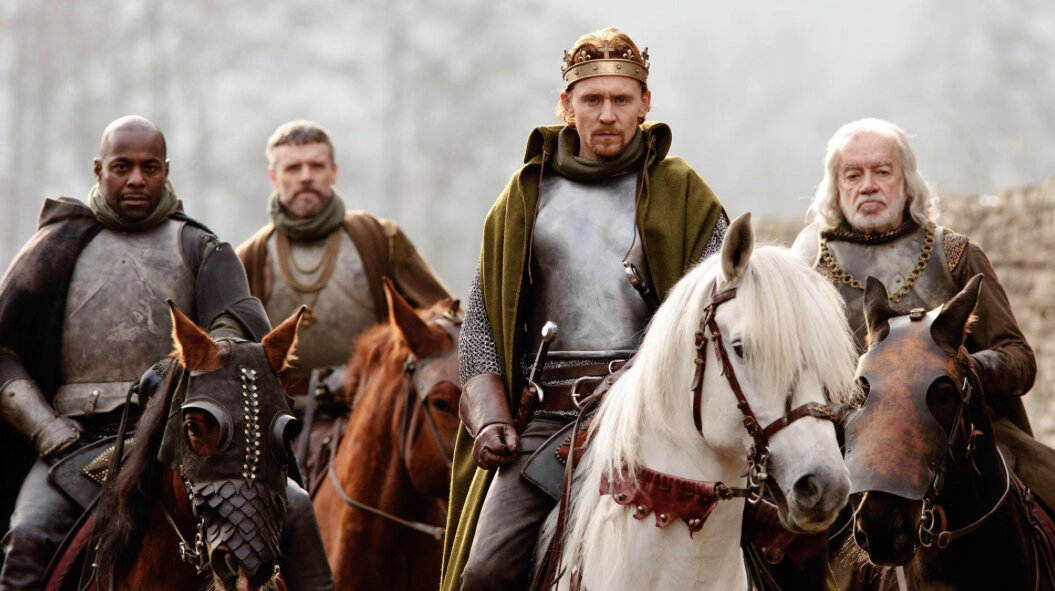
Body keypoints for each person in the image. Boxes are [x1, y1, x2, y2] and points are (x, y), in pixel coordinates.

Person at [441, 28, 728, 591]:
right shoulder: (526, 195)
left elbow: (725, 311)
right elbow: (481, 325)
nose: (607, 115)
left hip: (657, 419)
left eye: (622, 99)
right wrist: (493, 419)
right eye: (592, 99)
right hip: (548, 426)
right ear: (567, 104)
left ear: (645, 103)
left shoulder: (683, 192)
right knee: (485, 572)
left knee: (757, 542)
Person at [0, 116, 333, 591]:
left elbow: (234, 329)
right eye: (123, 167)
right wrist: (46, 429)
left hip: (183, 445)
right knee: (29, 537)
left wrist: (190, 361)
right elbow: (4, 351)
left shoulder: (201, 248)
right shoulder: (54, 249)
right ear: (99, 169)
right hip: (73, 444)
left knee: (295, 506)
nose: (137, 179)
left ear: (166, 170)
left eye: (150, 167)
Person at [792, 117, 1051, 509]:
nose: (868, 185)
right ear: (836, 186)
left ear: (907, 180)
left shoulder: (955, 255)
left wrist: (960, 370)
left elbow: (1019, 359)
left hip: (964, 445)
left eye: (882, 171)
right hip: (848, 449)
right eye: (853, 175)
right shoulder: (810, 268)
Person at [237, 121, 452, 483]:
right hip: (282, 427)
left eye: (316, 166)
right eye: (293, 168)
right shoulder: (250, 258)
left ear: (333, 172)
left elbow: (442, 320)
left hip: (379, 417)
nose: (306, 176)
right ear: (274, 177)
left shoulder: (378, 239)